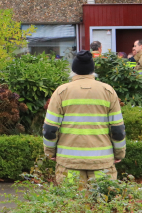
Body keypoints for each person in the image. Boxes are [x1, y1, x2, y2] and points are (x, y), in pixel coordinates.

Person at [43, 50, 126, 185]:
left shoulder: (61, 92)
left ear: (73, 69)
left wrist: (50, 153)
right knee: (100, 204)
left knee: (72, 204)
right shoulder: (108, 91)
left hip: (69, 163)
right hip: (102, 163)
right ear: (92, 70)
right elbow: (117, 129)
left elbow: (50, 129)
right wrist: (119, 153)